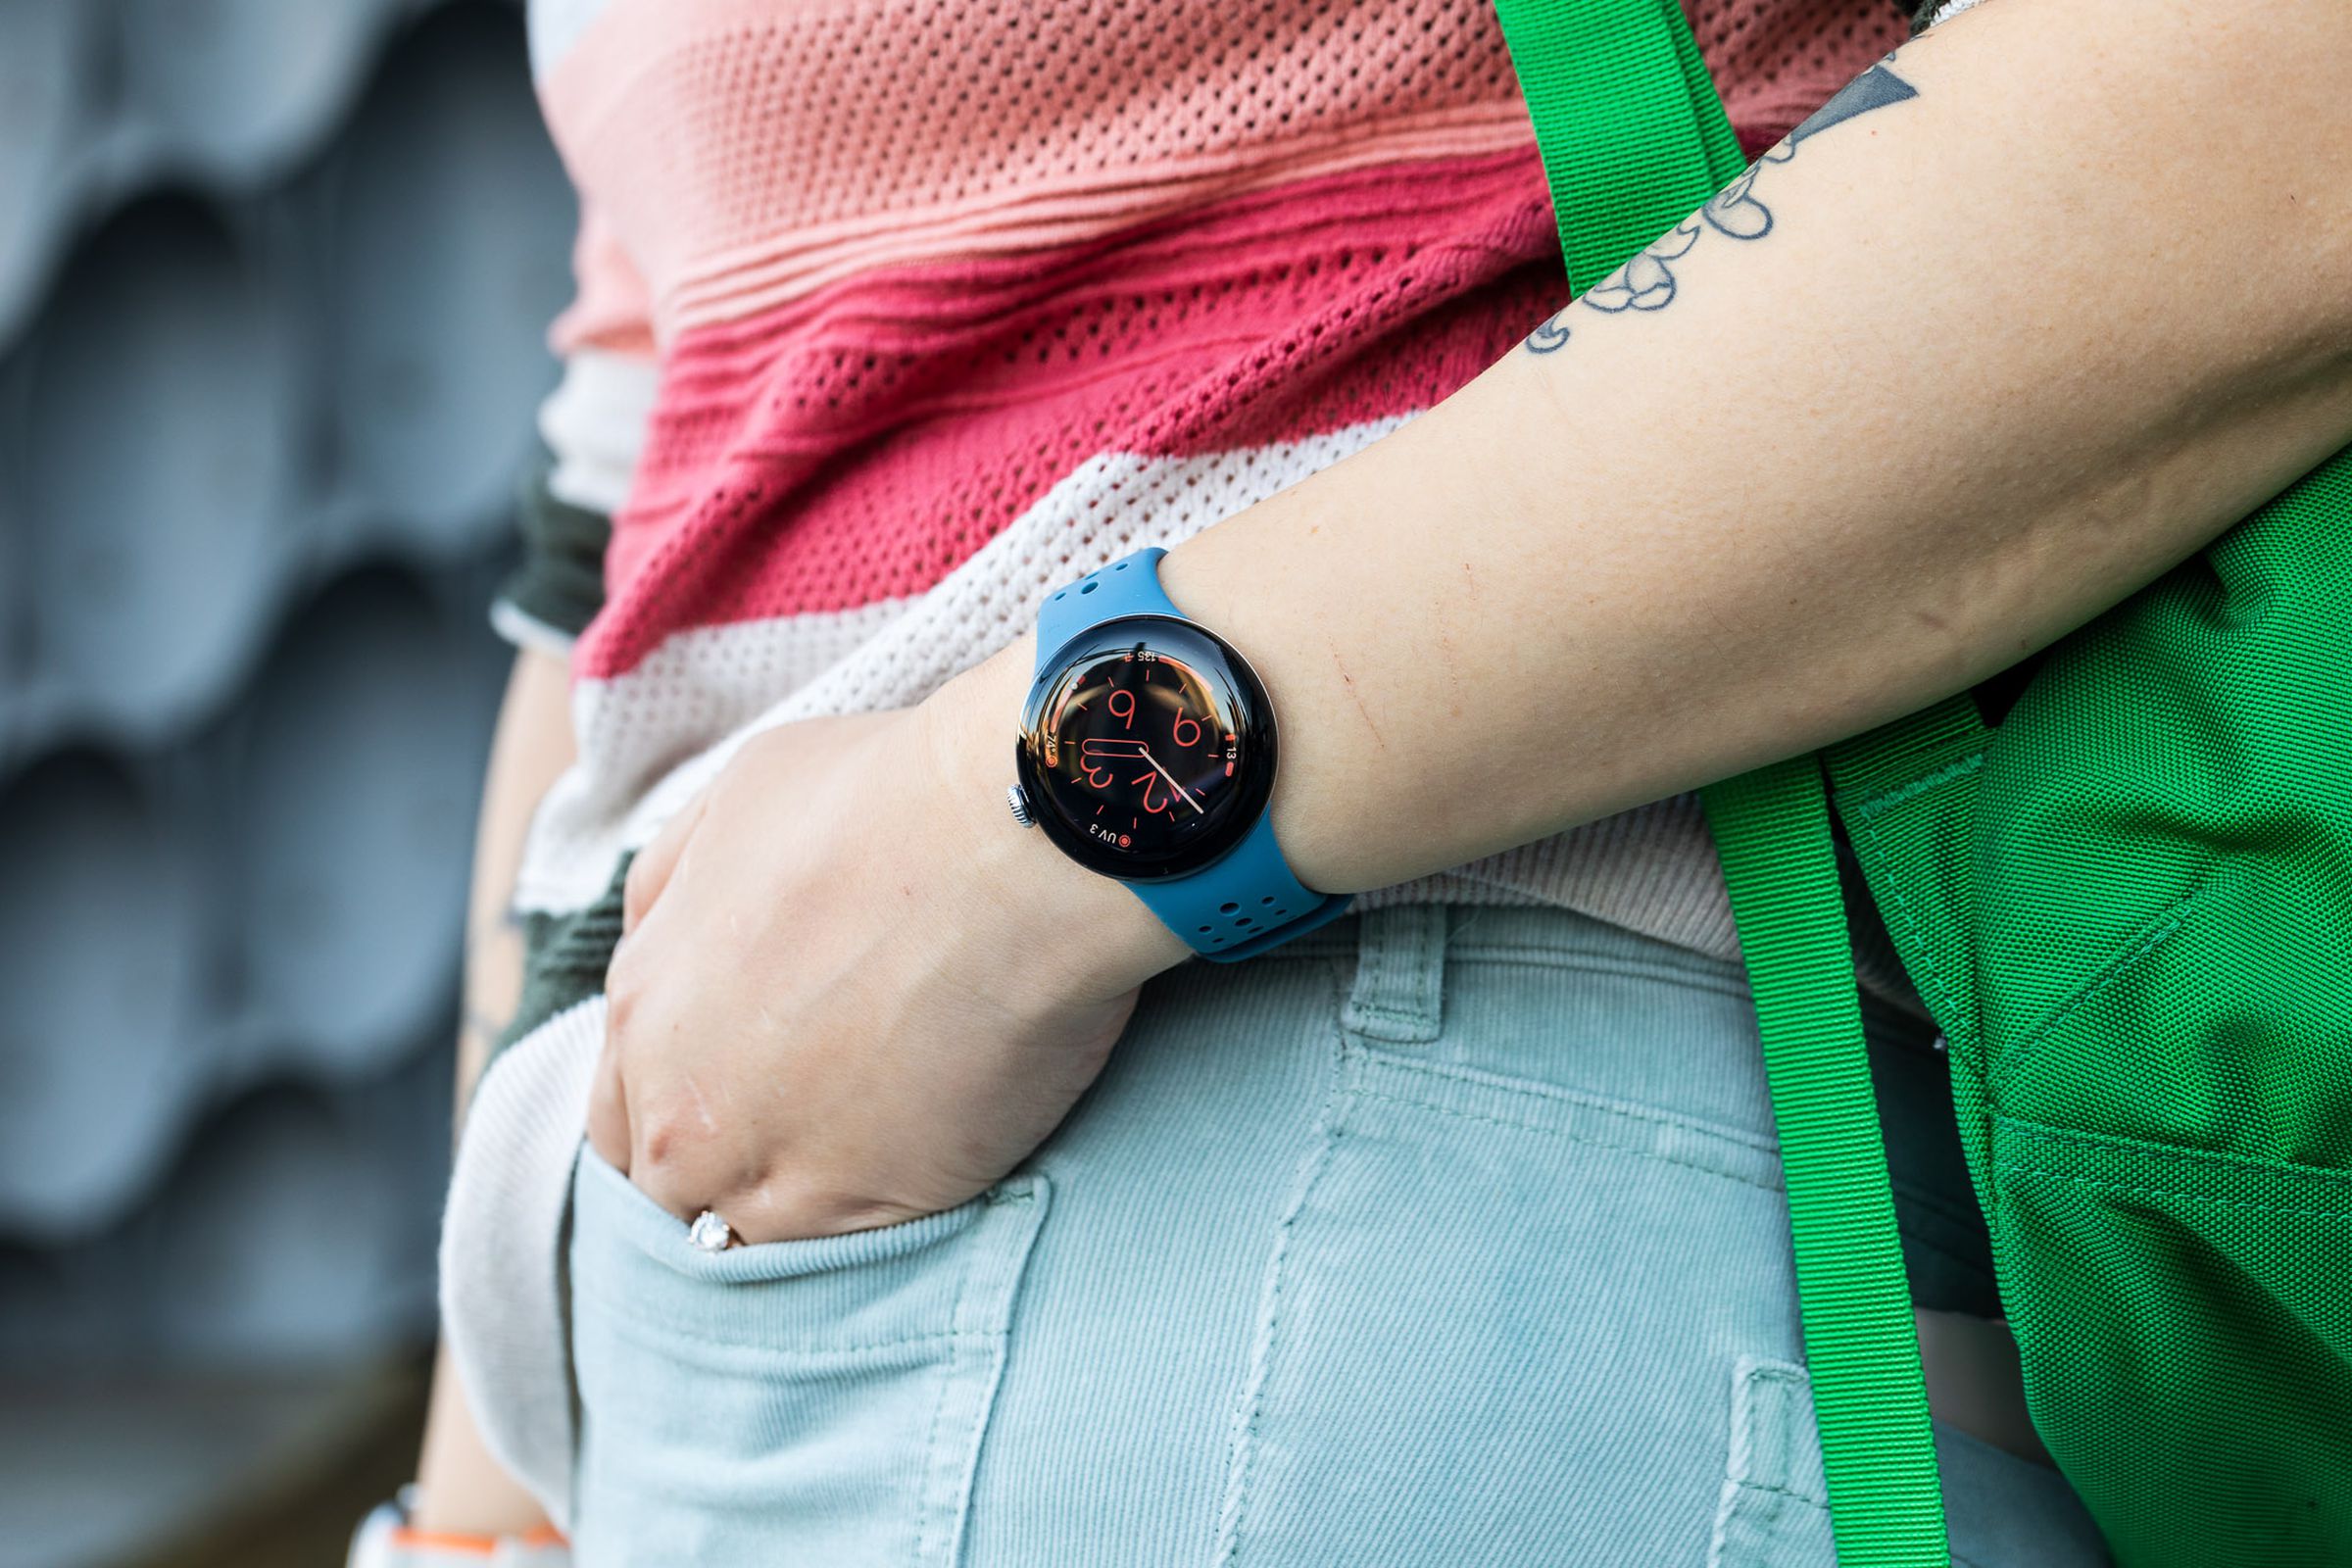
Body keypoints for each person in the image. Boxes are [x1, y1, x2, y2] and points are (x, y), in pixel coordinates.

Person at [353, 0, 2352, 1561]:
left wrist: (1021, 829)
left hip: (1328, 1183)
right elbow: (641, 486)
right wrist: (492, 1495)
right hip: (741, 1283)